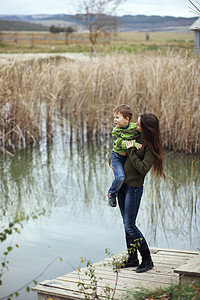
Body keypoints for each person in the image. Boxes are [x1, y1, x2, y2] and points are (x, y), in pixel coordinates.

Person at [116, 113, 166, 273]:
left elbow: (144, 168)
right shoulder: (134, 135)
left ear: (146, 129)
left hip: (134, 188)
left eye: (138, 125)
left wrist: (130, 150)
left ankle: (147, 260)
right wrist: (113, 161)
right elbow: (118, 144)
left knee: (130, 225)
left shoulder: (150, 146)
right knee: (126, 225)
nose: (135, 126)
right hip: (122, 186)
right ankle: (132, 258)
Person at [108, 104, 142, 207]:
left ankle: (124, 196)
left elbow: (140, 133)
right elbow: (119, 143)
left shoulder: (133, 127)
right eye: (114, 117)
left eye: (117, 117)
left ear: (127, 119)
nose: (115, 120)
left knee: (128, 180)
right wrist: (133, 144)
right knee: (121, 177)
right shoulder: (116, 131)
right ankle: (112, 193)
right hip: (117, 158)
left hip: (128, 158)